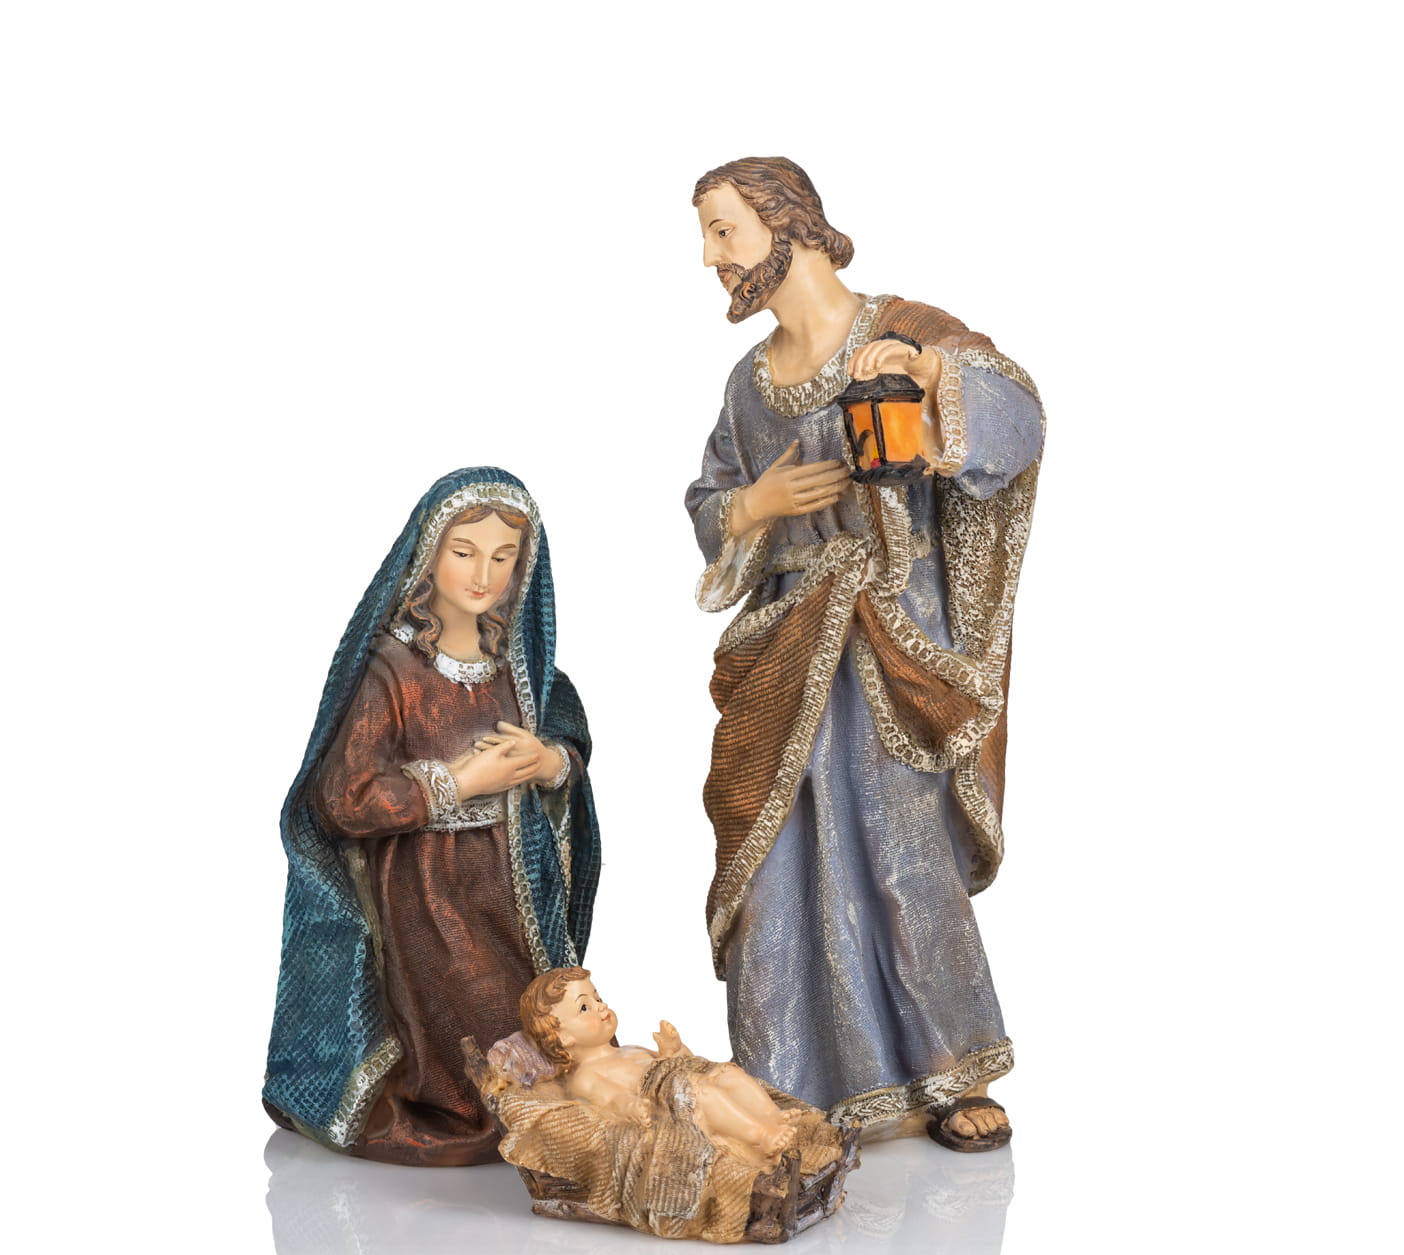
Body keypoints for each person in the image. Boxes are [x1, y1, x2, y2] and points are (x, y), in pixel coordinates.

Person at [684, 157, 1044, 1150]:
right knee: (770, 857)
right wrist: (755, 505)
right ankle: (785, 1080)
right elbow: (710, 502)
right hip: (786, 641)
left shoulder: (905, 328)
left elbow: (1016, 418)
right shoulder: (748, 385)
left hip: (894, 639)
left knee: (901, 849)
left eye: (724, 231)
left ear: (787, 224)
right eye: (708, 235)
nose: (711, 258)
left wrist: (932, 385)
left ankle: (951, 1070)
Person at [264, 466, 600, 1165]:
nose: (483, 575)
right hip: (427, 893)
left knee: (539, 1018)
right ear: (428, 553)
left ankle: (554, 1112)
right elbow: (344, 797)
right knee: (474, 1034)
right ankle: (480, 1108)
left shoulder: (520, 665)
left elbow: (569, 740)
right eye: (465, 552)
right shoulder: (392, 669)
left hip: (515, 886)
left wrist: (547, 762)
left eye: (503, 558)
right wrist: (461, 780)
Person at [517, 968, 814, 1167]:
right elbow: (609, 1099)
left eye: (598, 998)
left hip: (684, 1076)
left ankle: (771, 1115)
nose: (601, 1006)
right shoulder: (586, 1076)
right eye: (585, 1008)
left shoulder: (629, 1049)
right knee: (705, 1095)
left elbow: (676, 1063)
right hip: (666, 1097)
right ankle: (760, 1137)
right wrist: (632, 1107)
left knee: (728, 1073)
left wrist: (674, 1049)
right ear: (562, 1037)